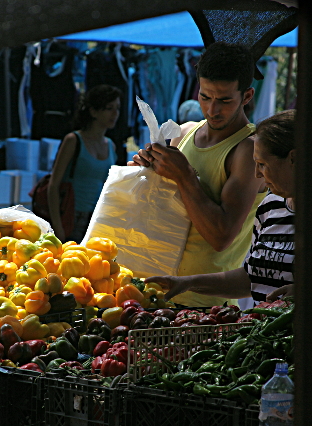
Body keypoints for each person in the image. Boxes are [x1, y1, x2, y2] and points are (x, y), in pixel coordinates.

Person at [131, 42, 267, 307]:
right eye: (205, 97)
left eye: (225, 100)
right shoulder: (183, 133)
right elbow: (164, 204)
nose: (212, 110)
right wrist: (144, 173)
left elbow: (221, 237)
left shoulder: (248, 151)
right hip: (155, 292)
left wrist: (184, 176)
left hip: (204, 307)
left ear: (247, 96)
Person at [146, 110, 295, 305]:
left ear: (294, 158)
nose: (257, 174)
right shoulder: (270, 207)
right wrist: (186, 283)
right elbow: (251, 278)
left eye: (263, 164)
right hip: (266, 333)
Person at [48, 84, 121, 242]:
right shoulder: (73, 141)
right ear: (93, 111)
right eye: (109, 108)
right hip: (70, 215)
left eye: (117, 108)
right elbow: (53, 186)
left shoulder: (111, 145)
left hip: (96, 217)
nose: (115, 114)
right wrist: (58, 227)